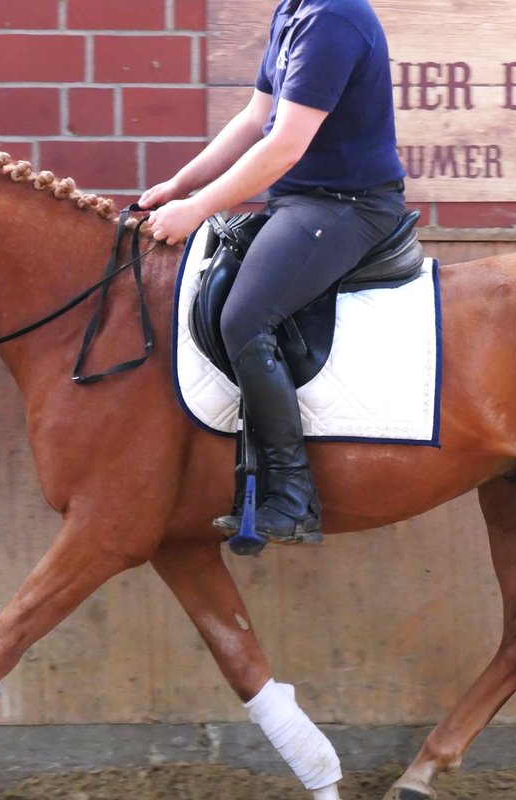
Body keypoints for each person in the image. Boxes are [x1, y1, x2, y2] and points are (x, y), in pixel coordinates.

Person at [141, 0, 407, 546]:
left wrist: (196, 210)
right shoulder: (293, 11)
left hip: (348, 204)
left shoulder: (333, 18)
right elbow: (252, 119)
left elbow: (284, 145)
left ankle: (291, 495)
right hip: (301, 202)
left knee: (245, 318)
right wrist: (179, 185)